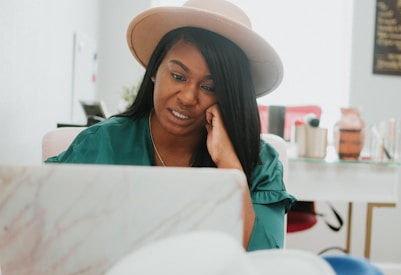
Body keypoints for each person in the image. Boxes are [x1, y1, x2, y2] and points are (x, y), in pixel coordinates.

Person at [45, 0, 296, 251]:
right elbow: (38, 226)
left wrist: (229, 164)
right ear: (155, 70)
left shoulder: (260, 163)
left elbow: (264, 264)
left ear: (228, 96)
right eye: (178, 76)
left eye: (209, 87)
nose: (187, 97)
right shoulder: (102, 142)